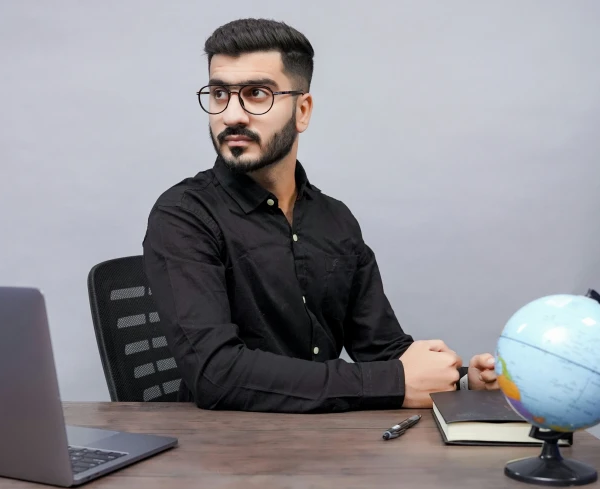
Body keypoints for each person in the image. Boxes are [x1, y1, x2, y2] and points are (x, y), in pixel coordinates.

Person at [141, 18, 498, 413]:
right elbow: (216, 374)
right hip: (228, 457)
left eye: (256, 93)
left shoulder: (336, 220)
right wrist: (394, 382)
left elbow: (382, 349)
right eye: (220, 94)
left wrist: (459, 381)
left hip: (328, 452)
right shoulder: (183, 215)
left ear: (303, 110)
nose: (232, 115)